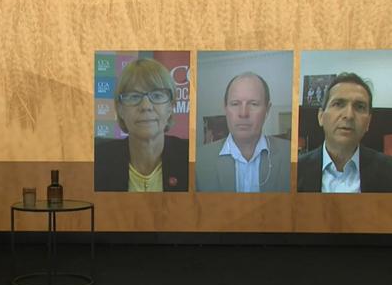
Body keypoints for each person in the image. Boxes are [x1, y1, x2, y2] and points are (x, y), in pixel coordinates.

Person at [94, 58, 188, 191]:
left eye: (156, 95)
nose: (146, 106)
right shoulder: (98, 161)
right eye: (133, 96)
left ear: (170, 107)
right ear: (120, 110)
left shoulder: (190, 159)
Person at [297, 72, 392, 192]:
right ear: (321, 116)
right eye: (338, 104)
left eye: (359, 107)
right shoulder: (295, 170)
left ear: (368, 122)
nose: (349, 115)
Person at [196, 72, 290, 192]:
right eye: (235, 104)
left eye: (253, 104)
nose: (243, 113)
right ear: (225, 108)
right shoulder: (198, 161)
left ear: (267, 109)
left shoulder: (291, 155)